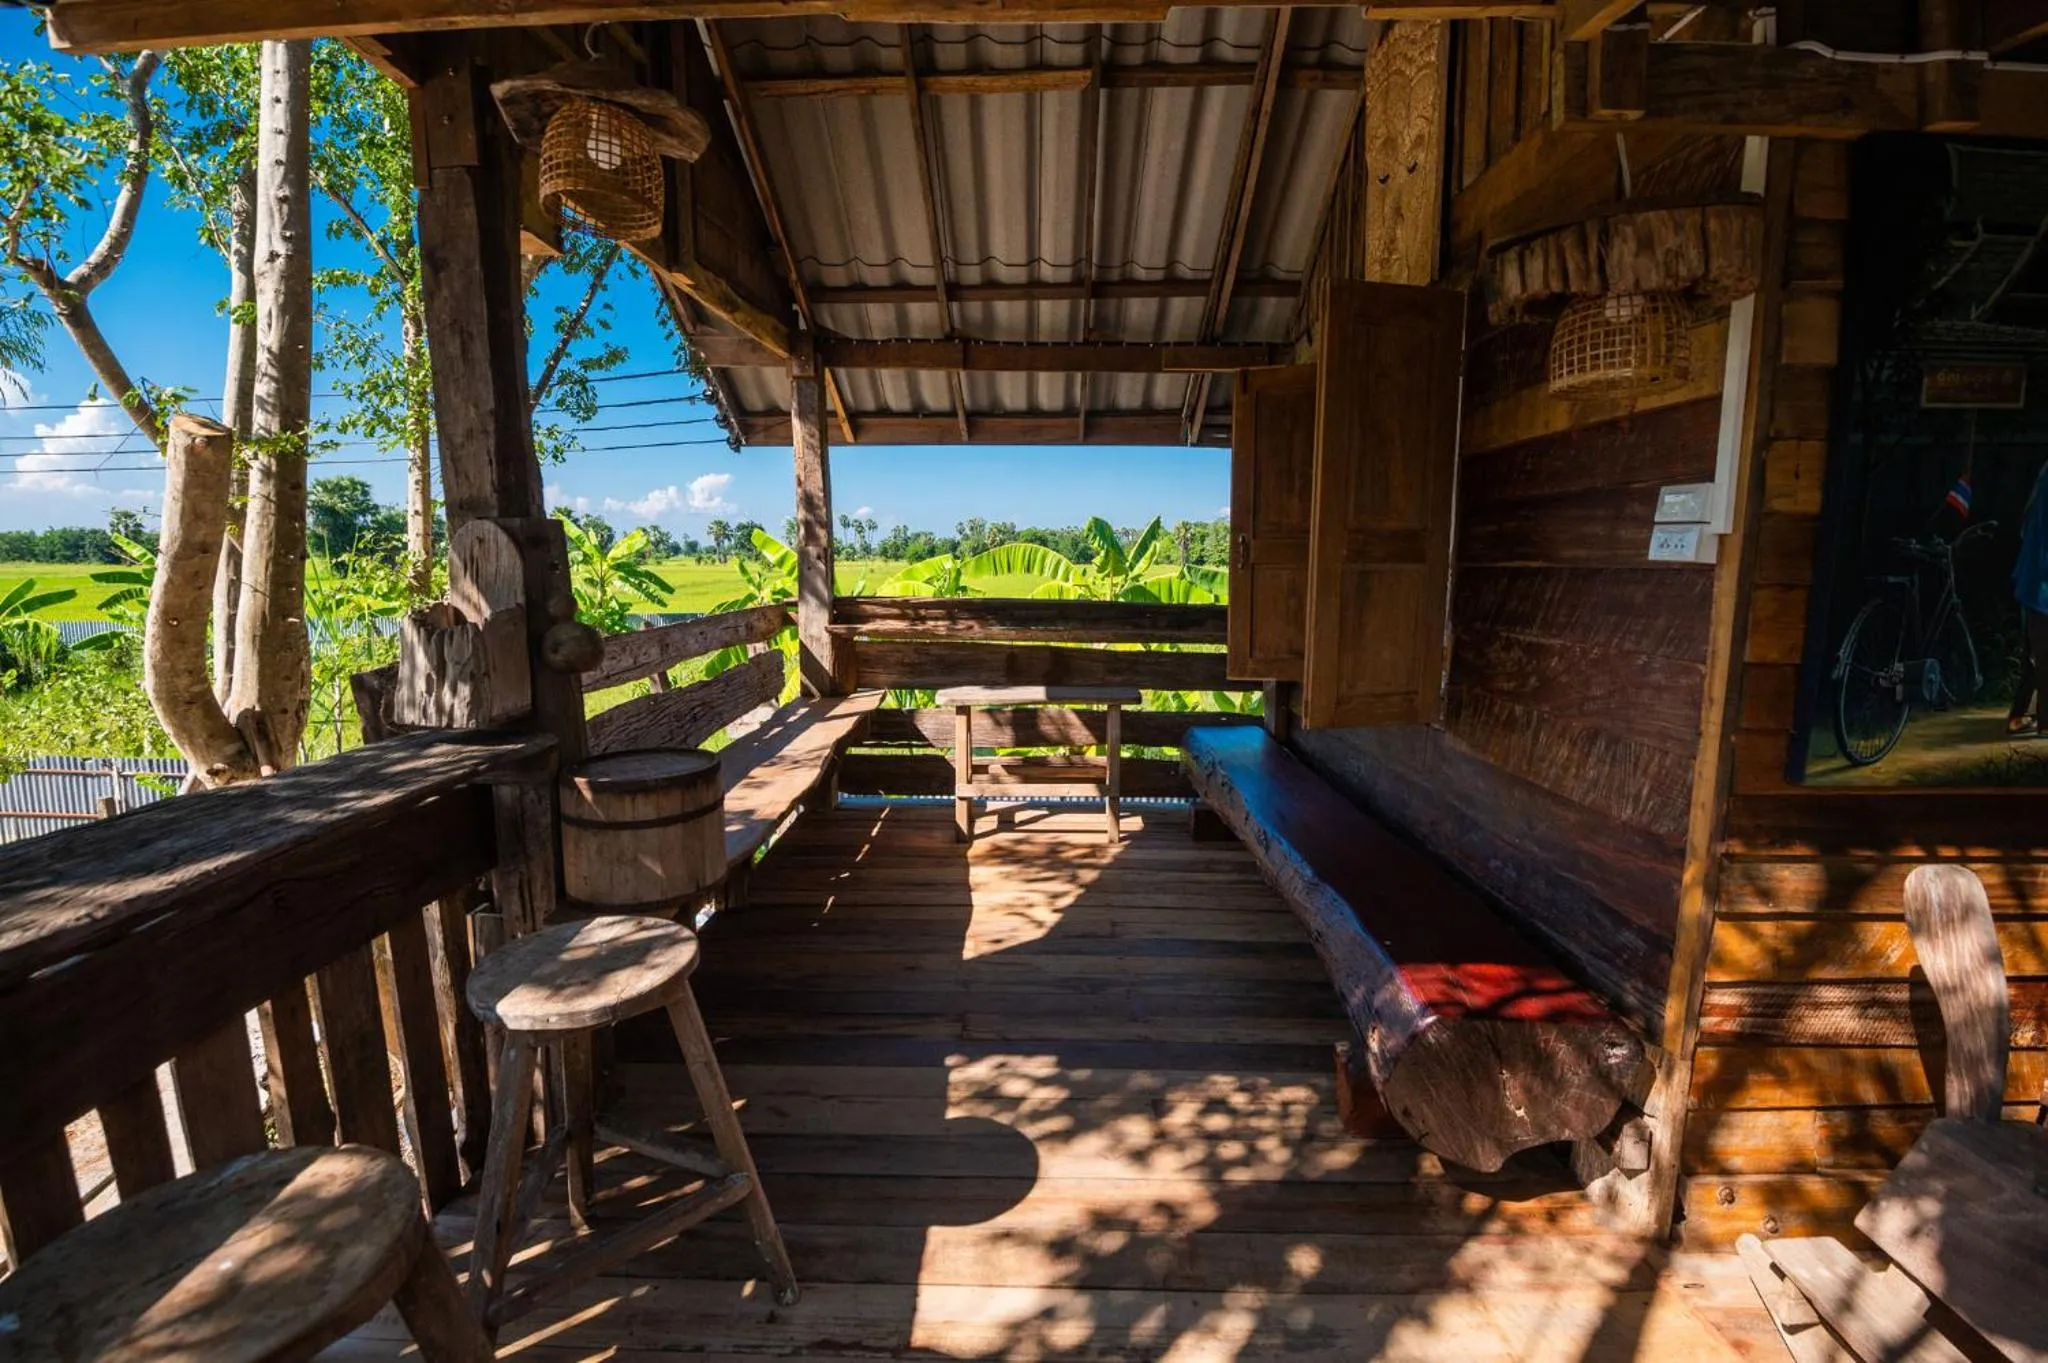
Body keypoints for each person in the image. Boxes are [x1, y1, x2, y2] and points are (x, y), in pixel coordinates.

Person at [2008, 460, 2048, 735]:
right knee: (2041, 654)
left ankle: (2021, 716)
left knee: (2036, 654)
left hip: (2034, 578)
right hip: (2040, 579)